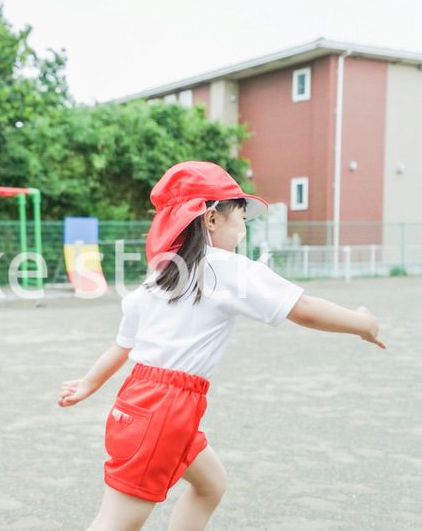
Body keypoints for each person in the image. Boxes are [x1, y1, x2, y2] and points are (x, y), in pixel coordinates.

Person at [58, 161, 385, 531]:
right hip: (165, 408)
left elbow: (123, 346)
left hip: (143, 402)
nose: (244, 229)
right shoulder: (227, 268)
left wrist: (89, 383)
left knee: (211, 485)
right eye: (241, 218)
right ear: (211, 219)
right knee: (118, 522)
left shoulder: (159, 277)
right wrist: (364, 323)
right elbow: (304, 310)